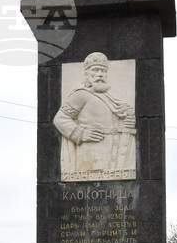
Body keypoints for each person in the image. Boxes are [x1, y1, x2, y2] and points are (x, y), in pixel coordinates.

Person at [52, 51, 136, 180]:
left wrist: (127, 122)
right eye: (95, 70)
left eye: (103, 71)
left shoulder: (110, 97)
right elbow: (60, 118)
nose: (100, 74)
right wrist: (80, 133)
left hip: (115, 157)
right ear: (86, 75)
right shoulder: (81, 94)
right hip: (91, 157)